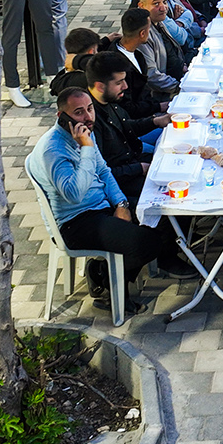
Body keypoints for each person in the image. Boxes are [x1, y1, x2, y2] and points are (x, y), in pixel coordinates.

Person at [28, 87, 194, 302]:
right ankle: (104, 276)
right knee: (148, 242)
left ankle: (119, 271)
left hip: (101, 205)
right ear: (62, 116)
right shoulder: (54, 151)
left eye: (90, 109)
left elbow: (104, 171)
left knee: (162, 210)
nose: (88, 117)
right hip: (76, 221)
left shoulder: (85, 131)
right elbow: (74, 194)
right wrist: (86, 148)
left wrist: (121, 205)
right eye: (79, 112)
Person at [83, 51, 166, 191]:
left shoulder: (110, 100)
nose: (125, 86)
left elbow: (126, 127)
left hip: (135, 160)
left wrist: (156, 121)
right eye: (119, 82)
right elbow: (102, 173)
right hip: (123, 183)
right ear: (100, 86)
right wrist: (139, 168)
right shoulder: (90, 122)